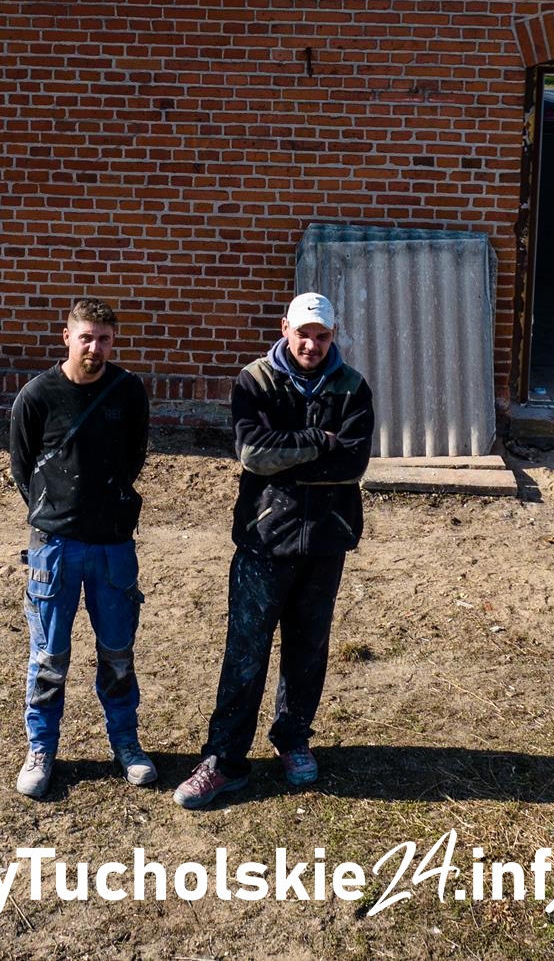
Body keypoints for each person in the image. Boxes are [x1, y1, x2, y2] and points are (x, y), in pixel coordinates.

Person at [175, 291, 374, 809]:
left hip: (325, 540)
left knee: (308, 650)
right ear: (285, 328)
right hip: (264, 539)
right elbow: (253, 455)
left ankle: (293, 739)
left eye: (322, 336)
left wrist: (292, 452)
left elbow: (353, 464)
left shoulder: (353, 387)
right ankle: (224, 760)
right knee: (245, 653)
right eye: (303, 333)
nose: (311, 345)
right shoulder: (255, 381)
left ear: (334, 336)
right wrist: (320, 440)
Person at [7, 297, 155, 800]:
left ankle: (126, 743)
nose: (95, 347)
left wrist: (104, 505)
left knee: (117, 653)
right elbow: (22, 468)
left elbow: (134, 455)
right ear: (66, 337)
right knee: (49, 656)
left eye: (104, 339)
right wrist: (57, 511)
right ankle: (41, 748)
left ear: (114, 342)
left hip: (113, 545)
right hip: (54, 547)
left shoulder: (128, 391)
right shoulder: (37, 396)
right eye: (86, 337)